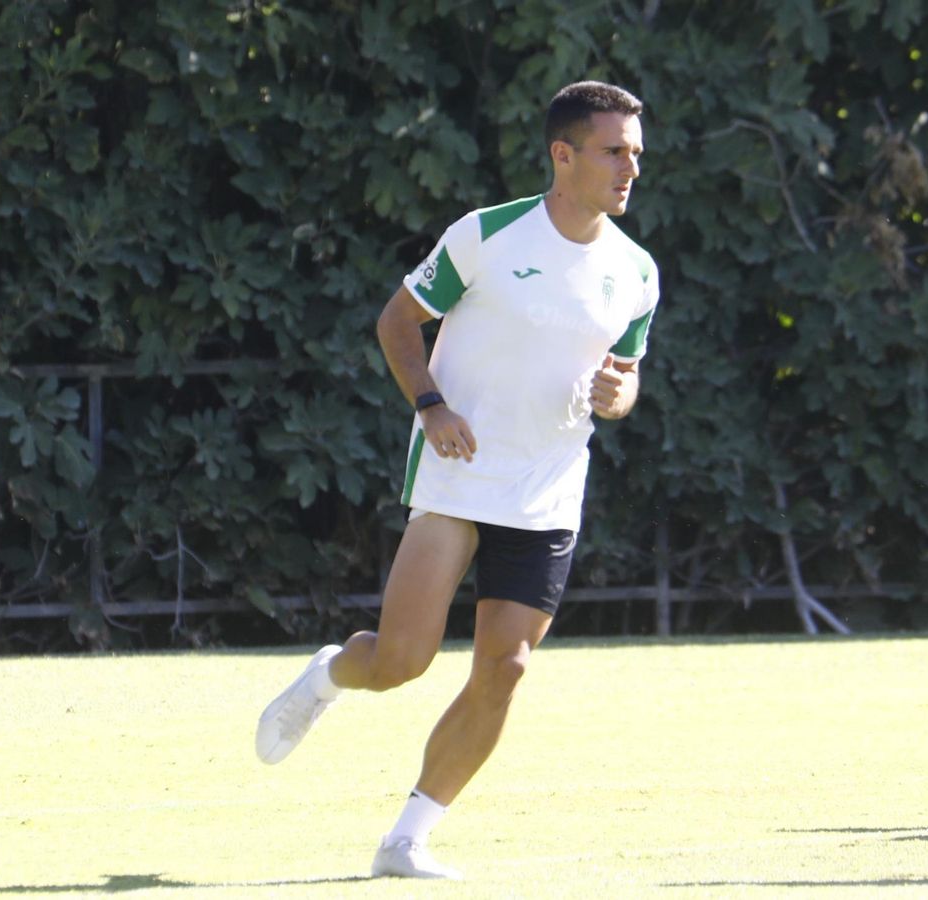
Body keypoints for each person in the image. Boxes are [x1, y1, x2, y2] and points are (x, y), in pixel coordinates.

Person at [255, 80, 659, 880]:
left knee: (505, 670)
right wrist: (432, 407)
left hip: (547, 491)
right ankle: (332, 672)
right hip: (459, 473)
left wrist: (623, 396)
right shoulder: (487, 235)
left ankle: (406, 839)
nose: (629, 169)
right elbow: (398, 322)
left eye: (637, 154)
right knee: (403, 660)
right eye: (614, 151)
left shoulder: (638, 271)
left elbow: (625, 375)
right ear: (563, 154)